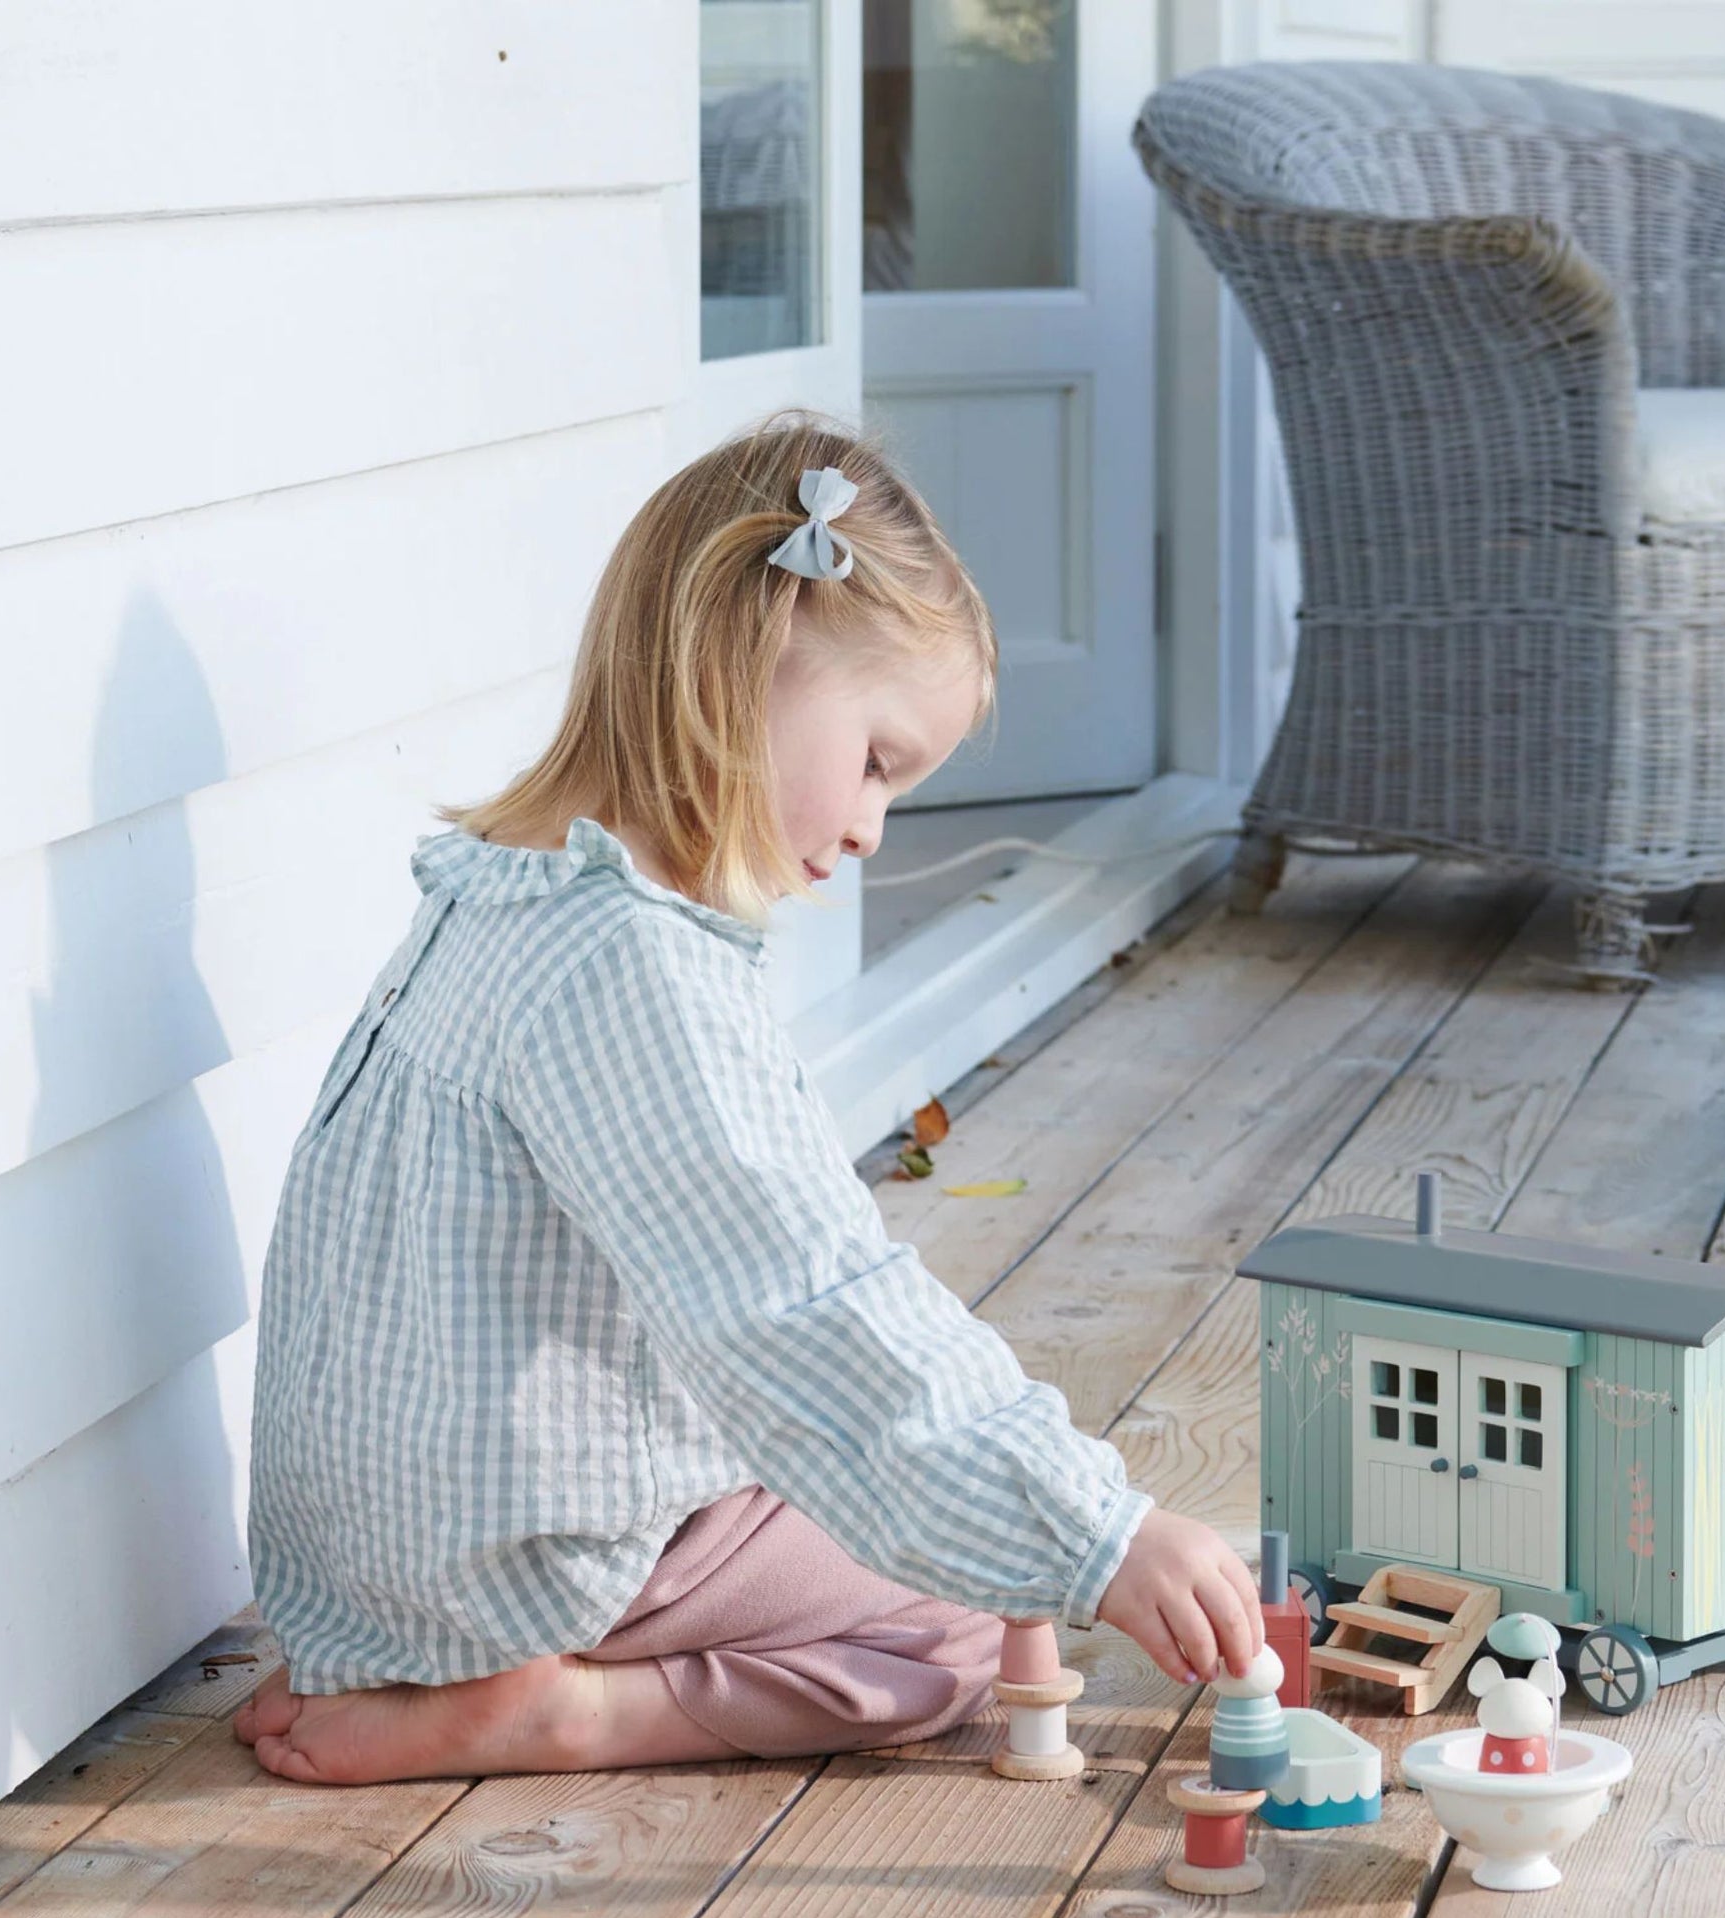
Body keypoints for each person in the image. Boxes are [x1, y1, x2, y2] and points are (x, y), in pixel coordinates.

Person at [233, 413, 1264, 1786]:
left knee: (899, 1492)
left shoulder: (497, 891)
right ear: (743, 663)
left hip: (366, 1563)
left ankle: (476, 1673)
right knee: (972, 1615)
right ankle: (560, 1709)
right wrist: (1099, 1531)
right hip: (511, 1574)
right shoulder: (639, 972)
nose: (872, 829)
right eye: (880, 761)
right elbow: (801, 1308)